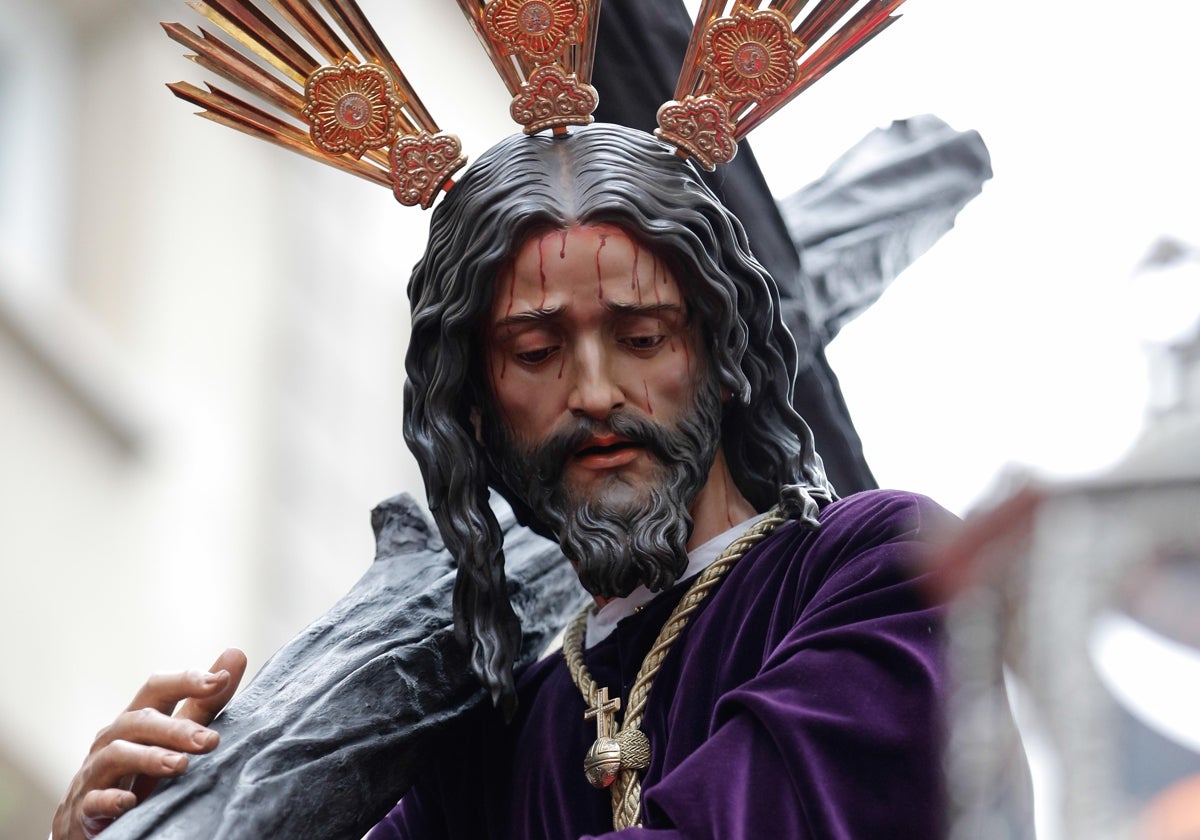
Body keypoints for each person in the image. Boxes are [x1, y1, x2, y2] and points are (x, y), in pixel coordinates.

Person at [53, 122, 962, 839]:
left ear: (720, 355)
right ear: (477, 405)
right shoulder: (495, 742)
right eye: (535, 351)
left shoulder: (883, 570)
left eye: (642, 337)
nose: (596, 392)